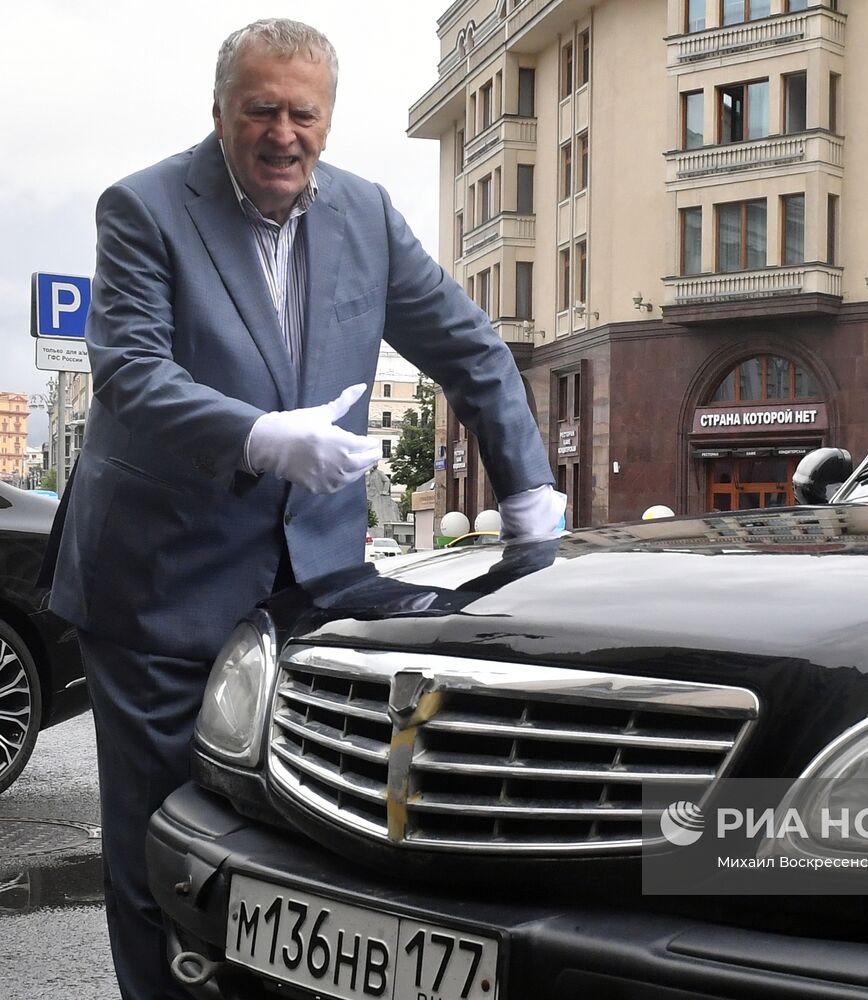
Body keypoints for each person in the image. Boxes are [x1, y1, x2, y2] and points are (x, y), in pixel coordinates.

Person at [42, 19, 564, 1000]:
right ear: (221, 113)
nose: (283, 133)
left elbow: (471, 348)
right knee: (163, 839)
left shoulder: (364, 215)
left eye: (302, 113)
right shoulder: (145, 210)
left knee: (312, 828)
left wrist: (533, 507)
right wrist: (259, 435)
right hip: (159, 579)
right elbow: (132, 374)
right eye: (260, 110)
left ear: (327, 120)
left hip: (314, 584)